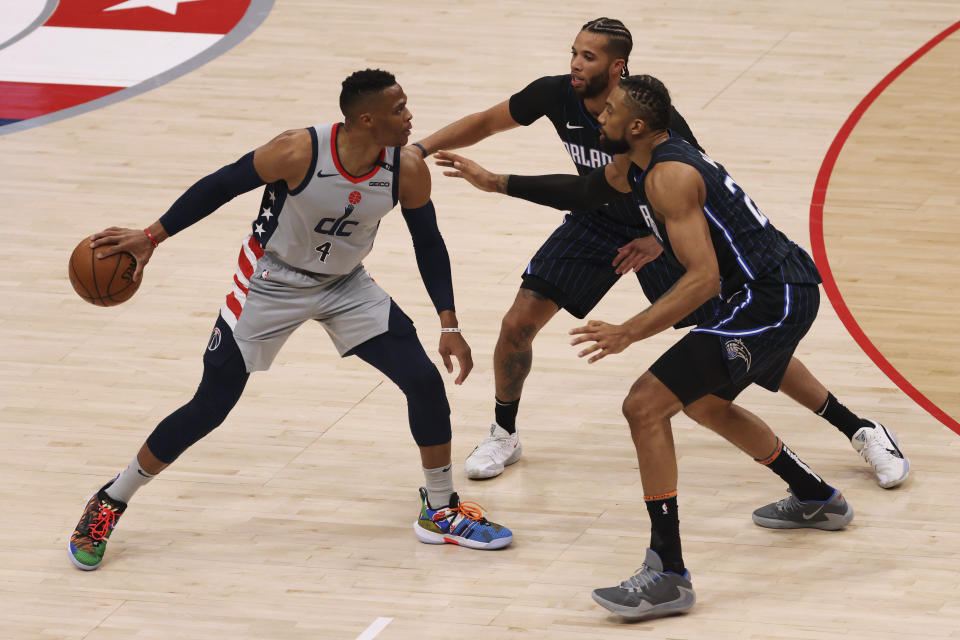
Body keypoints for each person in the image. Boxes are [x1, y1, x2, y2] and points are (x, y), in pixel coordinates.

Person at [414, 17, 908, 488]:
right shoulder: (556, 94)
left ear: (616, 68)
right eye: (574, 53)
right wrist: (424, 152)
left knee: (742, 343)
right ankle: (505, 433)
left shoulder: (651, 119)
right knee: (517, 323)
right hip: (599, 219)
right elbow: (501, 131)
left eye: (588, 57)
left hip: (665, 230)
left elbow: (693, 191)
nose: (575, 65)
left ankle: (858, 428)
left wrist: (658, 239)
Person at [436, 74, 861, 620]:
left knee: (644, 404)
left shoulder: (669, 175)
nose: (599, 119)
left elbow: (702, 278)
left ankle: (668, 573)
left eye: (608, 111)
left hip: (771, 296)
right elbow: (587, 194)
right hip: (761, 291)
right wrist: (497, 182)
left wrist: (628, 331)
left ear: (636, 126)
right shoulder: (631, 162)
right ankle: (816, 497)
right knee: (704, 403)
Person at [68, 69, 513, 572]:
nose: (411, 117)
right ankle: (110, 500)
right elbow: (221, 185)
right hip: (270, 282)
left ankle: (440, 510)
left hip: (345, 284)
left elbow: (428, 242)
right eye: (399, 110)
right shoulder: (297, 151)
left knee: (424, 381)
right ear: (366, 120)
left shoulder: (407, 167)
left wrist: (449, 324)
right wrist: (152, 236)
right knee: (211, 405)